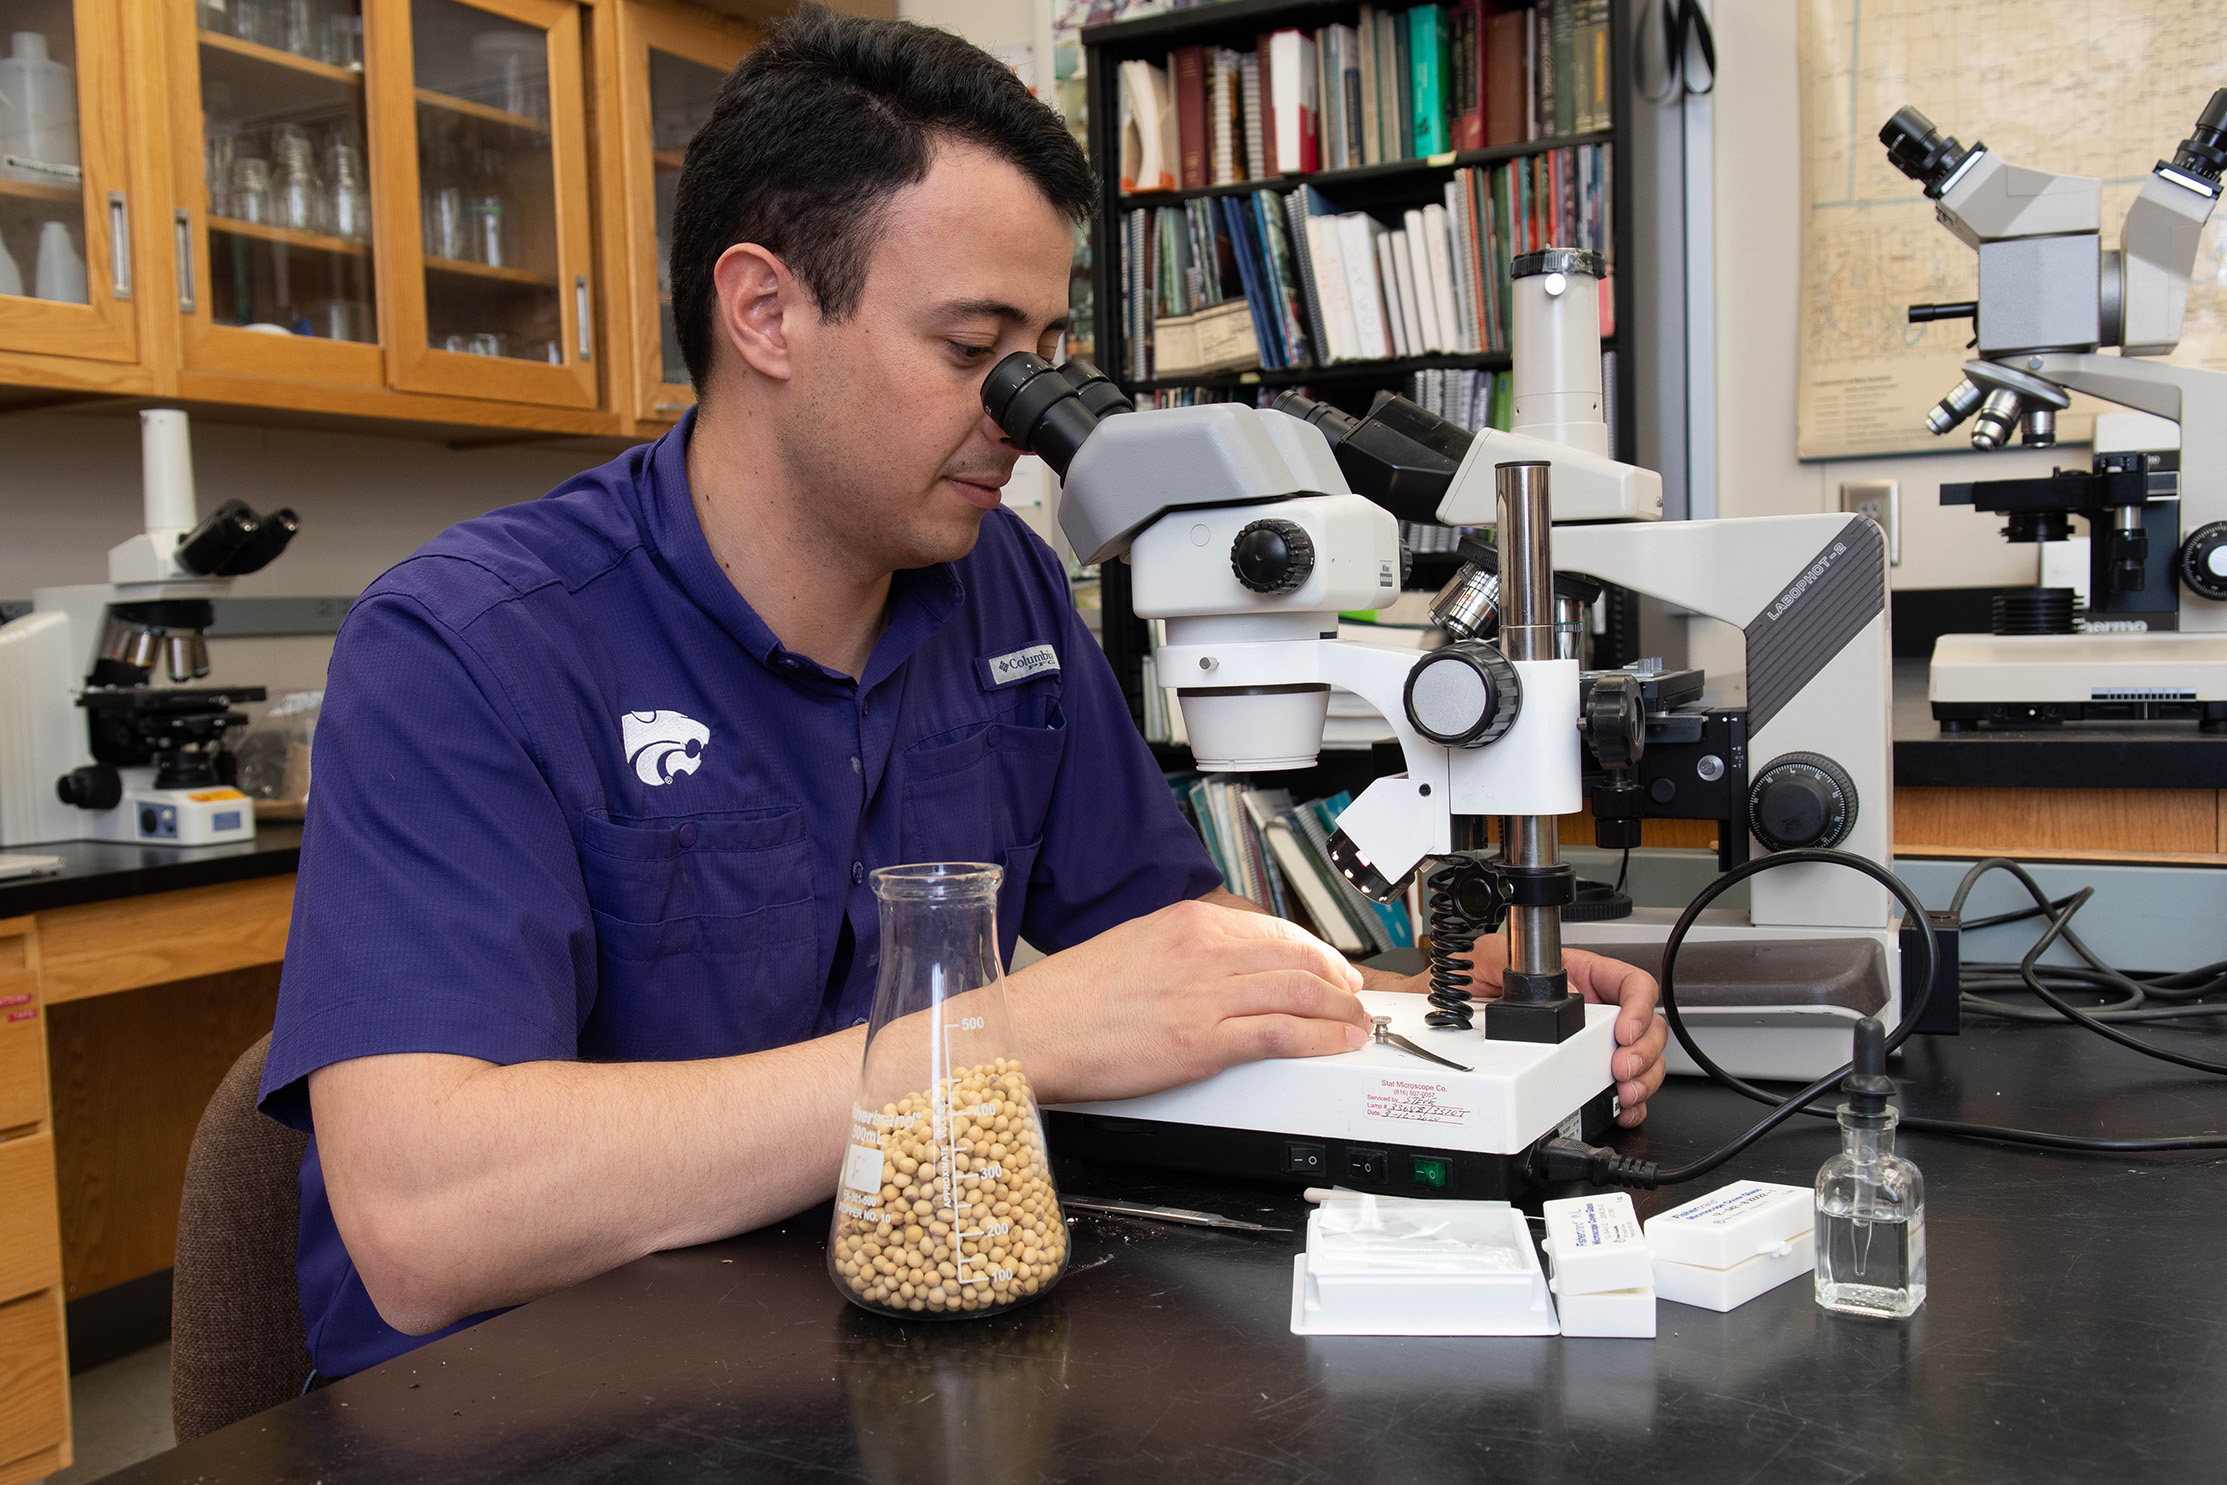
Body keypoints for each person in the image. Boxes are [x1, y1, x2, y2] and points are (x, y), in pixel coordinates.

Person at [260, 4, 1668, 1378]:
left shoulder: (1000, 587)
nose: (1023, 420)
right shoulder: (466, 648)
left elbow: (1167, 958)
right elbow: (424, 1219)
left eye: (1045, 358)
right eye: (970, 349)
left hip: (875, 1325)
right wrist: (1001, 1040)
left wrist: (1455, 999)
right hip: (536, 1408)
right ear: (764, 310)